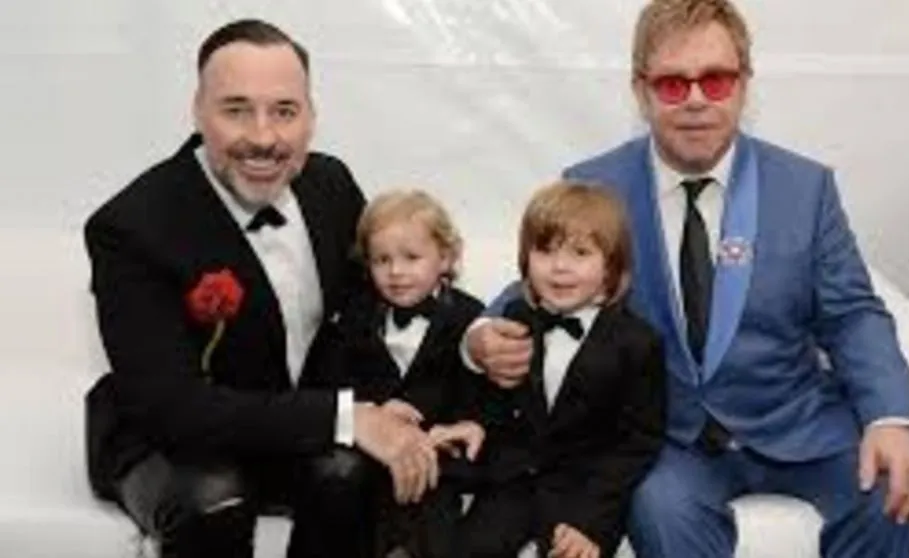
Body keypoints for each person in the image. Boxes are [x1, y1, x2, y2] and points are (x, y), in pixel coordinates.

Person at [465, 1, 909, 556]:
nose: (695, 100)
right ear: (640, 91)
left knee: (895, 492)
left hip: (798, 423)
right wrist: (482, 335)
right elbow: (544, 283)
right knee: (658, 508)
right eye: (672, 84)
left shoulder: (805, 189)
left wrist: (890, 417)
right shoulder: (595, 185)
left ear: (744, 84)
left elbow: (852, 315)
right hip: (671, 441)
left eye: (715, 80)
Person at [83, 19, 438, 558]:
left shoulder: (331, 185)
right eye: (236, 109)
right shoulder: (131, 228)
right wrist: (345, 417)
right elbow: (173, 407)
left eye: (285, 111)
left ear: (312, 117)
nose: (264, 137)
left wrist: (474, 341)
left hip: (293, 423)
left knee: (347, 476)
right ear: (198, 112)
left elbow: (382, 300)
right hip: (172, 439)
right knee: (214, 501)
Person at [456, 181, 666, 558]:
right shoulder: (514, 319)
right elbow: (497, 401)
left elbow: (636, 445)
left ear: (611, 267)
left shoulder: (637, 343)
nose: (560, 267)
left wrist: (591, 521)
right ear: (525, 259)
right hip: (513, 485)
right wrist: (474, 424)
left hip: (585, 495)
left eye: (580, 253)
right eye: (545, 250)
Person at [333, 189, 487, 557]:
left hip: (440, 455)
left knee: (432, 502)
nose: (396, 272)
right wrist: (375, 409)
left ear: (445, 257)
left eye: (411, 258)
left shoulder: (471, 318)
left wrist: (457, 426)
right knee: (354, 489)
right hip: (373, 455)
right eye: (382, 260)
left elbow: (479, 390)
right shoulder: (355, 316)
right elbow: (333, 379)